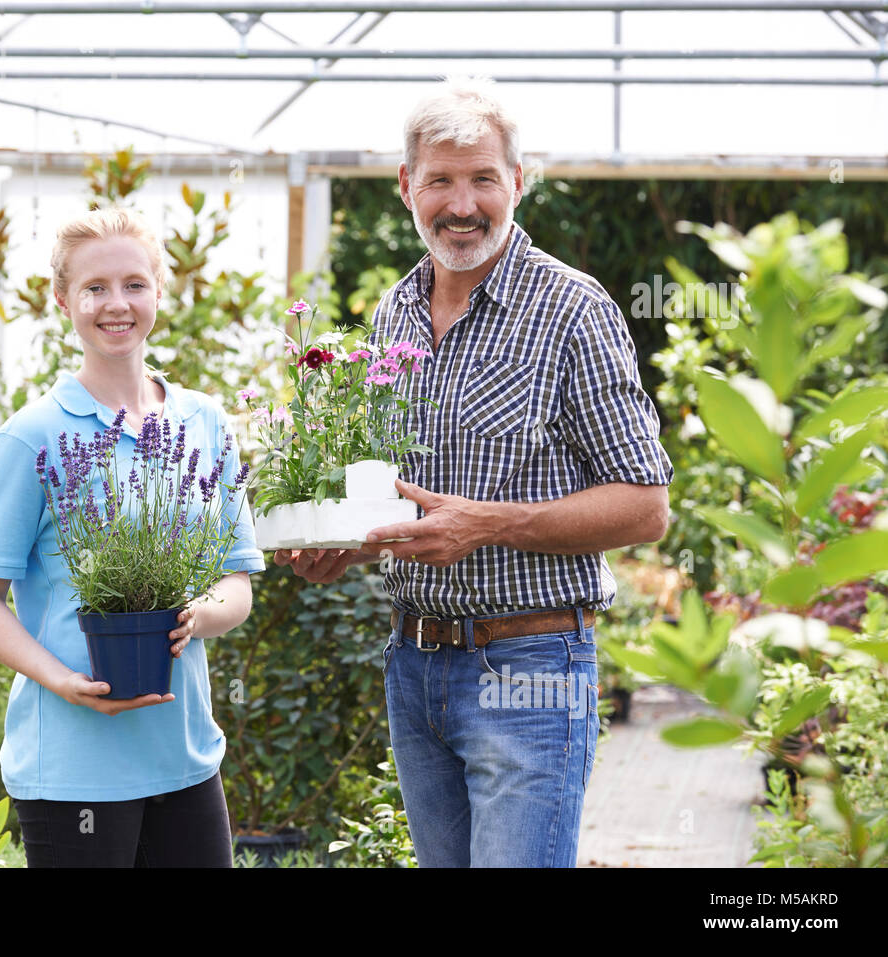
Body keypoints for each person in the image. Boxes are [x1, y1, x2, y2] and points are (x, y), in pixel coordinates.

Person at [274, 77, 674, 868]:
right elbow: (403, 495)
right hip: (415, 666)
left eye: (484, 178)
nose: (463, 204)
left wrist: (491, 524)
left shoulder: (572, 310)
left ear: (517, 182)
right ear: (406, 188)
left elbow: (646, 506)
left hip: (528, 670)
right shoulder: (394, 315)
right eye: (441, 181)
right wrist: (351, 545)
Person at [0, 206, 264, 867]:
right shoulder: (30, 436)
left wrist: (198, 614)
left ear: (158, 290)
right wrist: (62, 678)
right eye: (94, 288)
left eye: (133, 284)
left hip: (185, 760)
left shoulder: (204, 422)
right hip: (74, 770)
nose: (115, 304)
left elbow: (237, 579)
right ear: (62, 298)